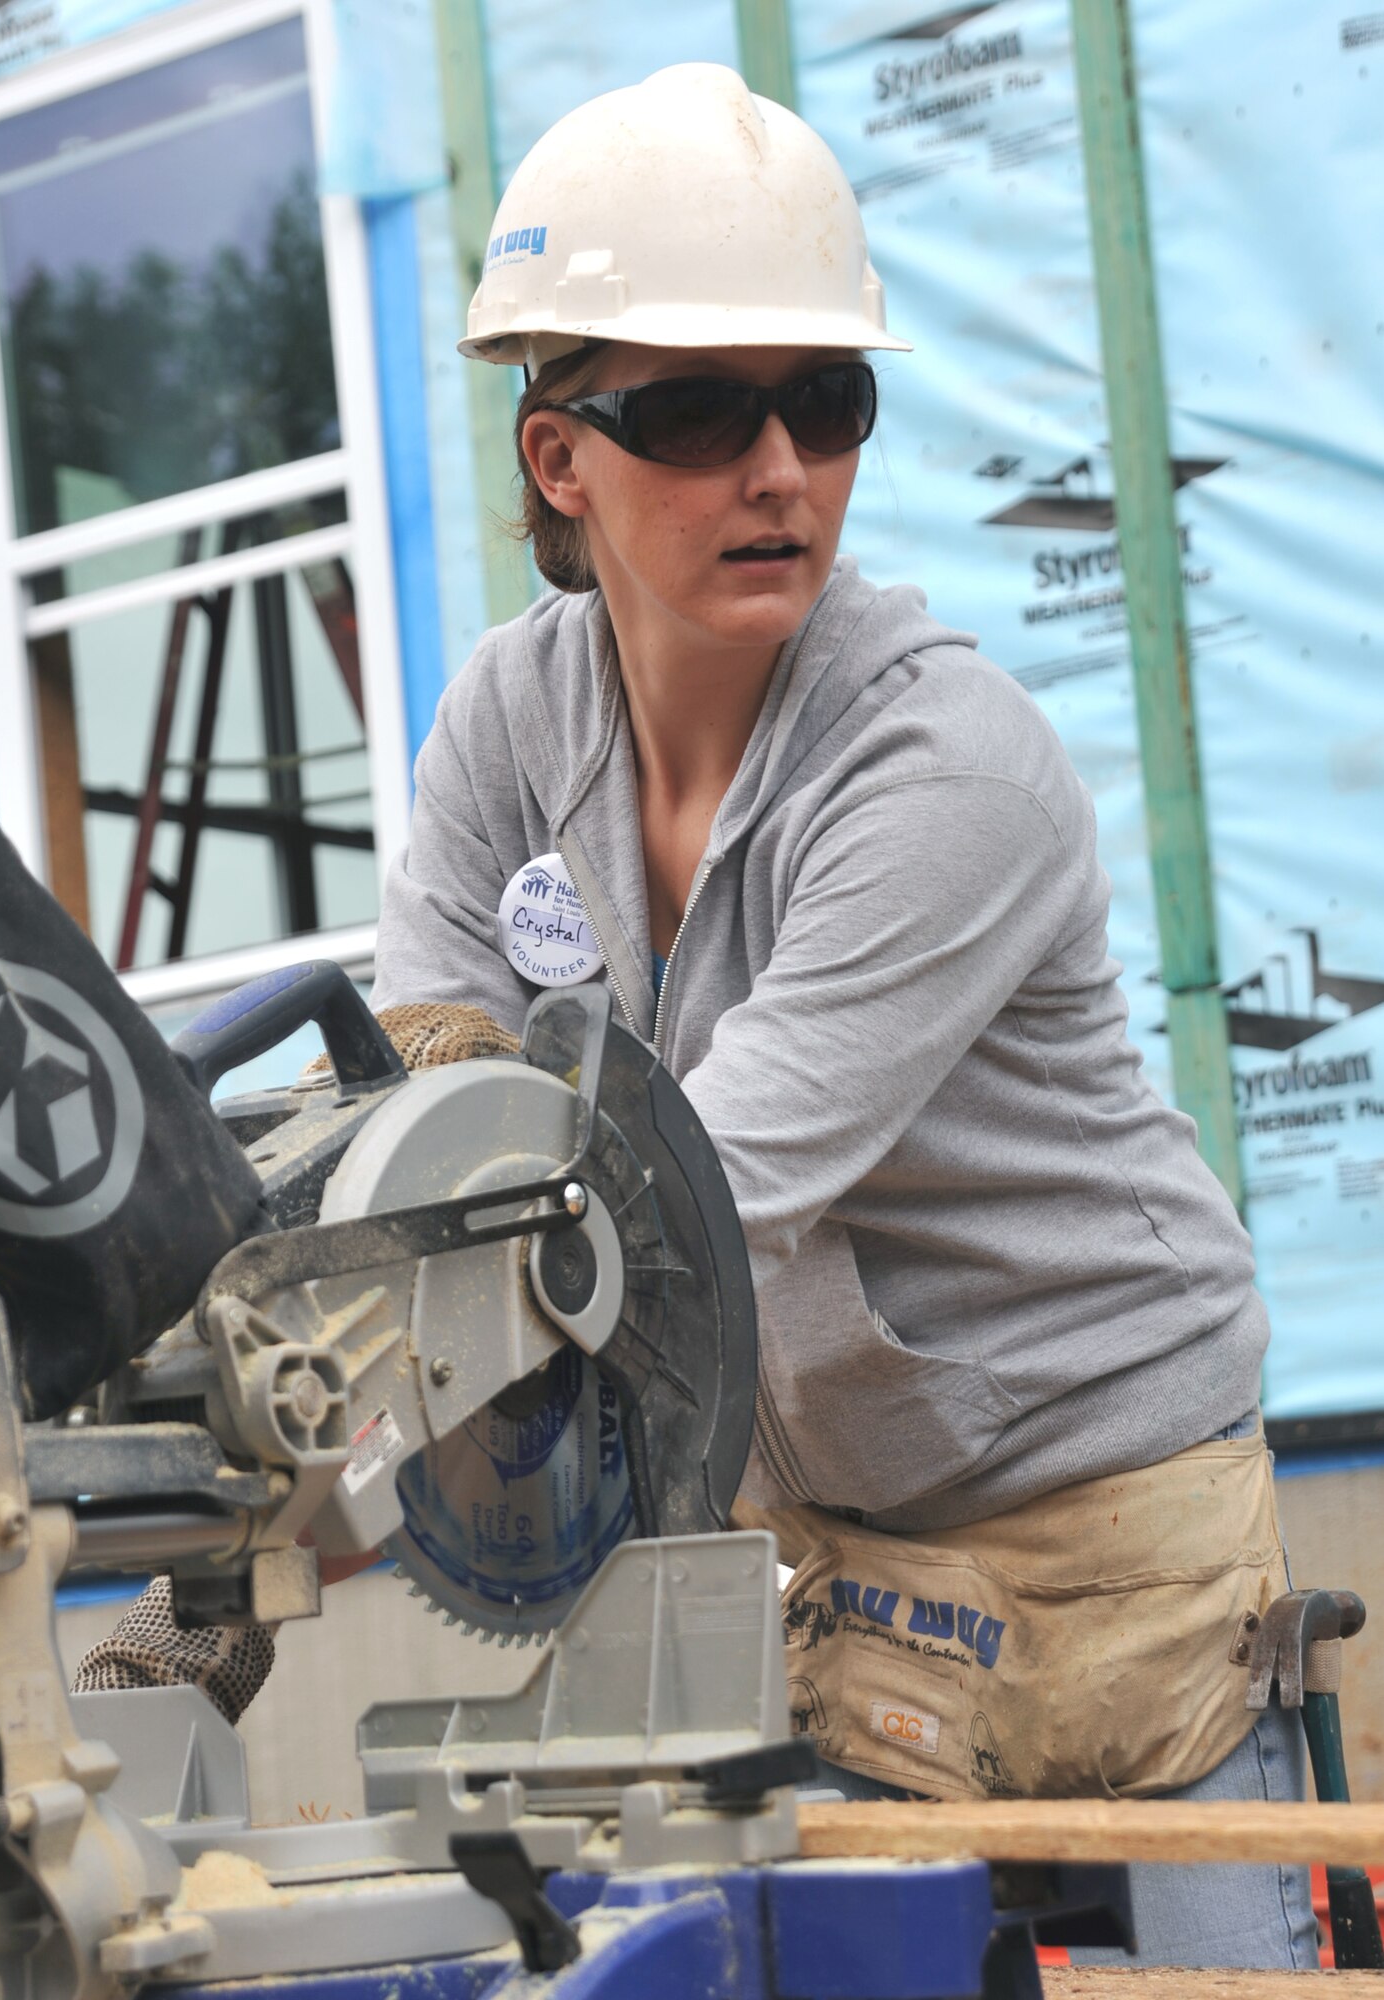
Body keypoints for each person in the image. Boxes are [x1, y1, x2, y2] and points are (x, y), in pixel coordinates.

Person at [371, 64, 1316, 1970]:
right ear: (558, 458)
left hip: (1108, 1535)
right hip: (830, 1556)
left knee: (1215, 1992)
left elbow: (679, 1210)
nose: (779, 469)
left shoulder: (944, 768)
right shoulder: (503, 727)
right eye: (698, 412)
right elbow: (418, 1132)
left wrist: (288, 1513)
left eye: (826, 400)